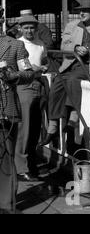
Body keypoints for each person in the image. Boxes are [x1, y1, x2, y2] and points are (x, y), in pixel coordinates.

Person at [40, 0, 90, 146]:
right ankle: (53, 126)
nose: (81, 13)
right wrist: (75, 48)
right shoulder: (71, 26)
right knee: (57, 85)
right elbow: (64, 45)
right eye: (80, 11)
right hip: (71, 63)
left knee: (73, 79)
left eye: (85, 11)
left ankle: (73, 118)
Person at [0, 33, 34, 213]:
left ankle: (5, 206)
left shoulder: (15, 46)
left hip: (5, 111)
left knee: (5, 159)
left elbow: (29, 73)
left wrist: (14, 75)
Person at [15, 15, 48, 181]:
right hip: (25, 86)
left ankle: (31, 164)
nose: (29, 30)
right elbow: (23, 66)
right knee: (24, 128)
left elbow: (44, 60)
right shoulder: (18, 44)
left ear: (36, 28)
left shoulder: (40, 44)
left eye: (32, 27)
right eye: (26, 27)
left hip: (38, 85)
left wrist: (43, 66)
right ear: (20, 28)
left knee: (35, 128)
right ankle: (21, 167)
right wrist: (36, 68)